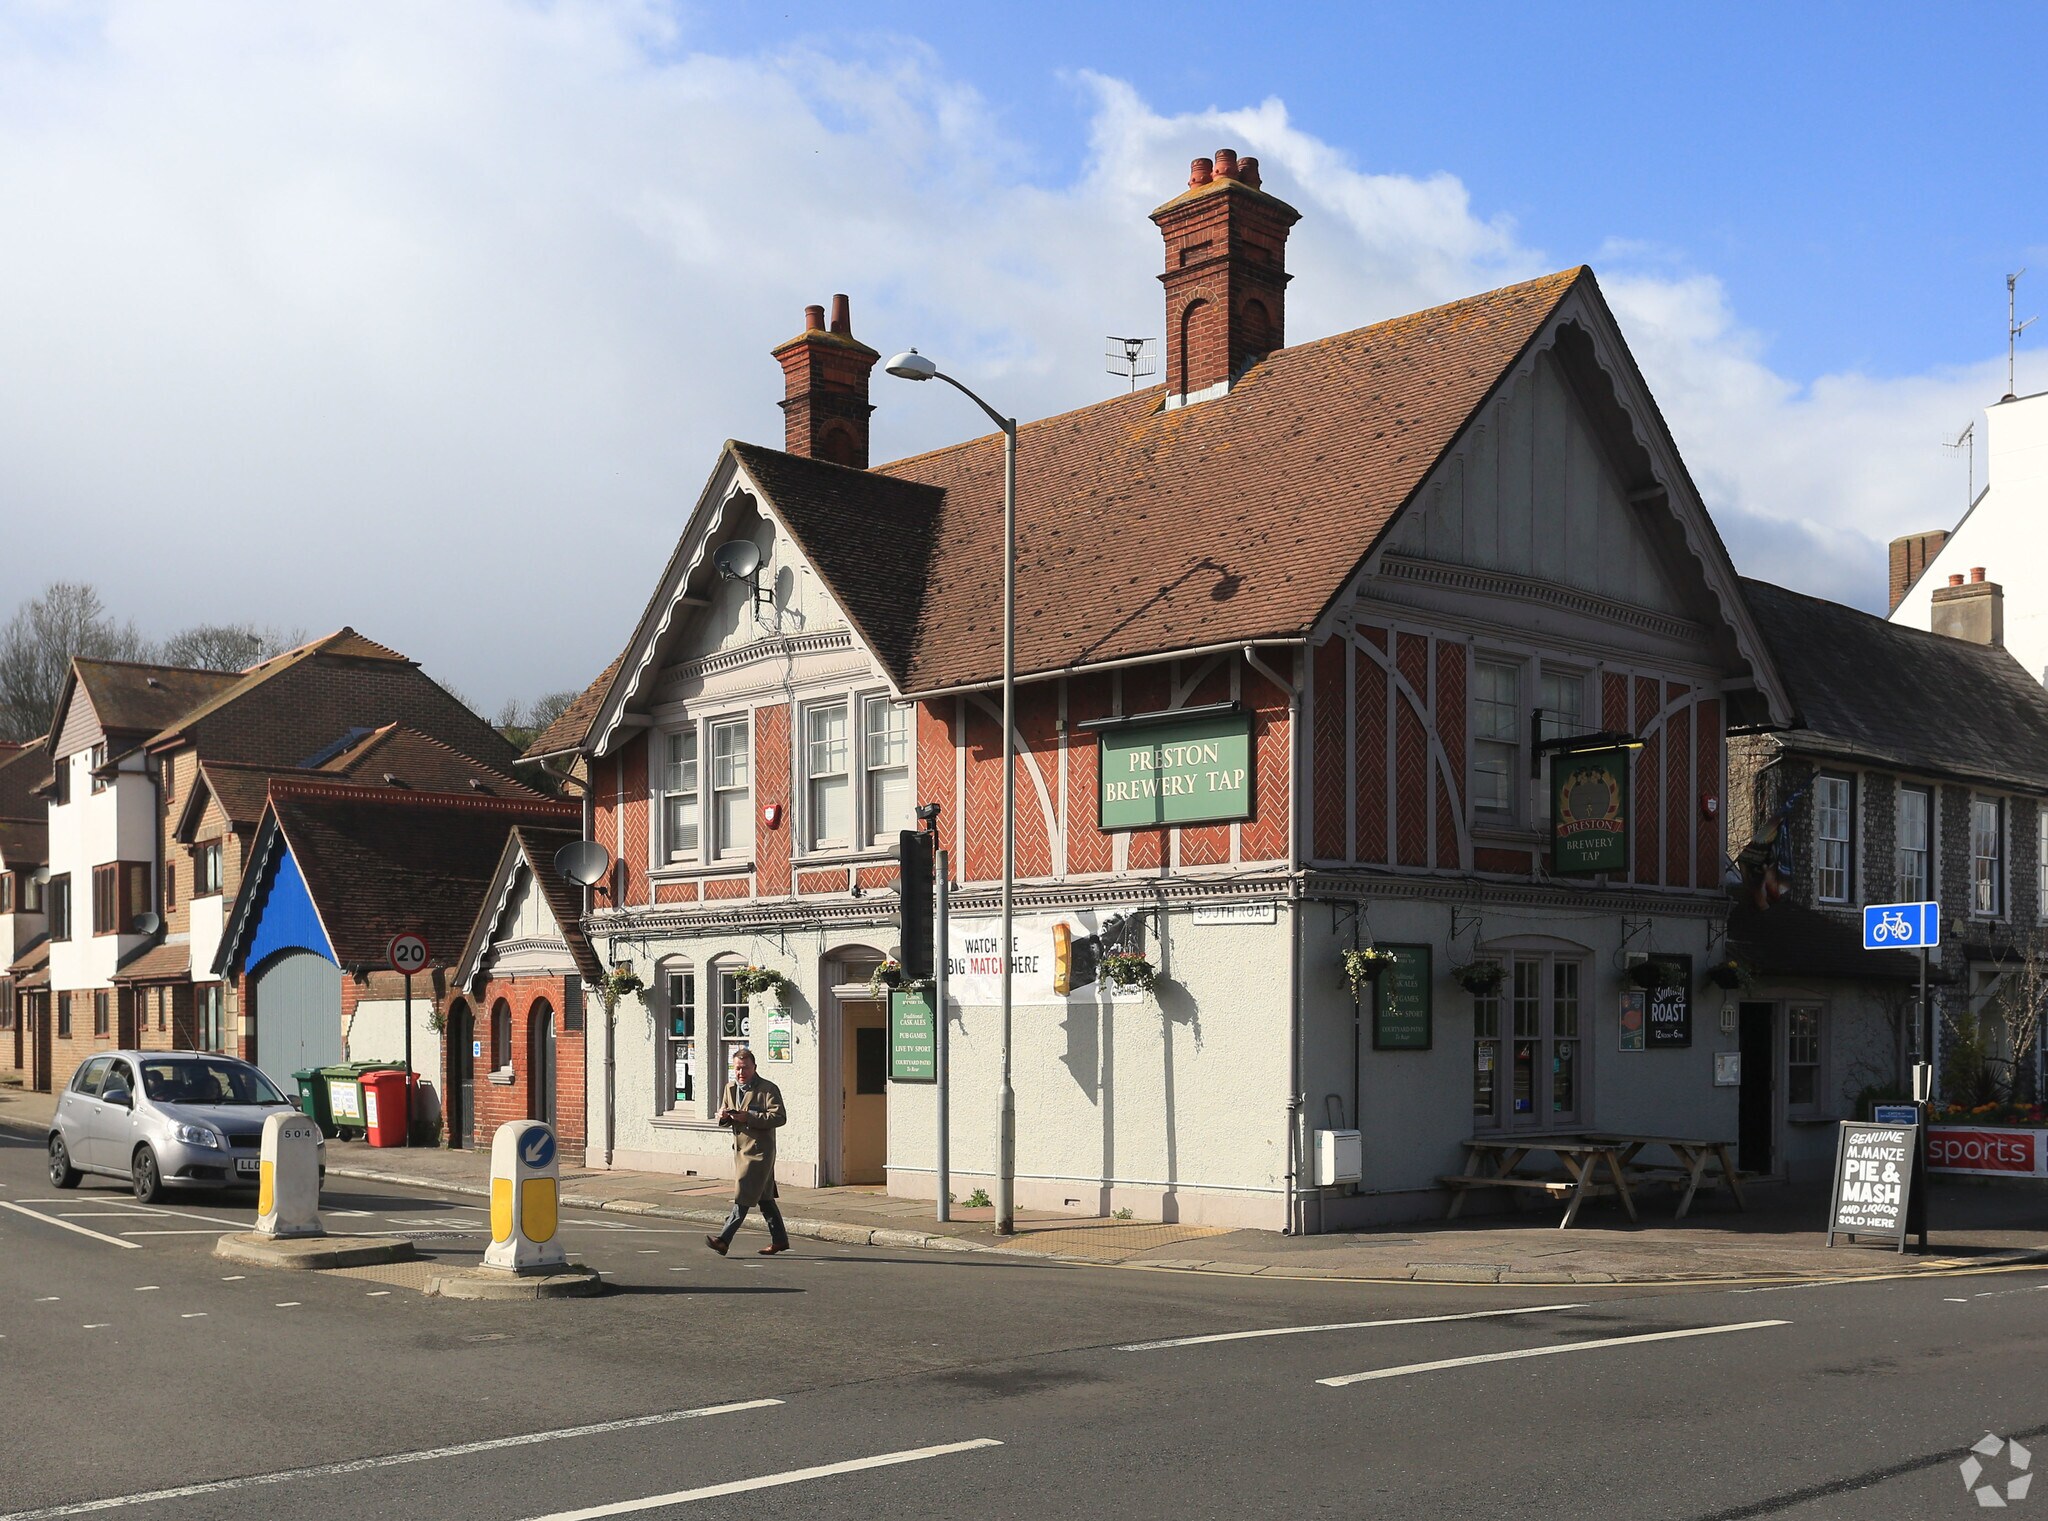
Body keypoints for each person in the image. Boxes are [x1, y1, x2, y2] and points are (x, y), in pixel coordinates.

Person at [705, 1046, 790, 1256]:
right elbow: (727, 1116)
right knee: (765, 1199)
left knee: (743, 1193)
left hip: (759, 1153)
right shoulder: (730, 1088)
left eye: (745, 1068)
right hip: (741, 1151)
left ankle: (724, 1239)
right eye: (737, 1068)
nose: (741, 1073)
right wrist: (724, 1117)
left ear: (754, 1068)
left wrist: (749, 1117)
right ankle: (780, 1240)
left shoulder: (767, 1089)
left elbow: (779, 1117)